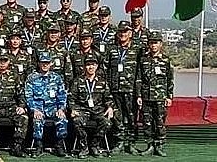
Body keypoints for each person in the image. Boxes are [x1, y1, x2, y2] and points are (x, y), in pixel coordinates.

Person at [68, 54, 114, 158]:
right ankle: (84, 147)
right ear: (84, 67)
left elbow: (108, 97)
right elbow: (71, 98)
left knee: (107, 123)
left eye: (93, 65)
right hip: (82, 110)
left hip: (98, 110)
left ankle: (94, 145)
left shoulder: (102, 82)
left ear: (97, 66)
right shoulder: (77, 81)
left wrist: (110, 107)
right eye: (88, 65)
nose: (91, 67)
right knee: (76, 121)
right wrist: (73, 109)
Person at [105, 20, 140, 154]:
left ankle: (131, 143)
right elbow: (105, 68)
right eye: (120, 32)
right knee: (117, 117)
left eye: (125, 31)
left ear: (130, 33)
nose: (122, 34)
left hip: (131, 90)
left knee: (131, 118)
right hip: (115, 89)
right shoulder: (112, 49)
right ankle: (119, 142)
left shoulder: (137, 50)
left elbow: (140, 72)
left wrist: (139, 93)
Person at [137, 32, 174, 156]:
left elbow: (170, 79)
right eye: (151, 42)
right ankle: (150, 145)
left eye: (156, 42)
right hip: (146, 96)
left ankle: (160, 146)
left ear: (160, 44)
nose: (153, 45)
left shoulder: (166, 60)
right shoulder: (143, 60)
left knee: (160, 122)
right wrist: (138, 96)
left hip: (160, 97)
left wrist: (169, 96)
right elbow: (139, 78)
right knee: (147, 122)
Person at [25, 52, 68, 158]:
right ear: (39, 63)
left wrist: (61, 109)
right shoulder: (32, 78)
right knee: (37, 120)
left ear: (51, 64)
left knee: (62, 118)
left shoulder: (57, 78)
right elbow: (28, 96)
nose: (45, 65)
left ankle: (59, 145)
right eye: (42, 62)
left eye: (47, 63)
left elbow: (62, 95)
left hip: (53, 108)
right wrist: (34, 109)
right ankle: (38, 145)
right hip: (38, 108)